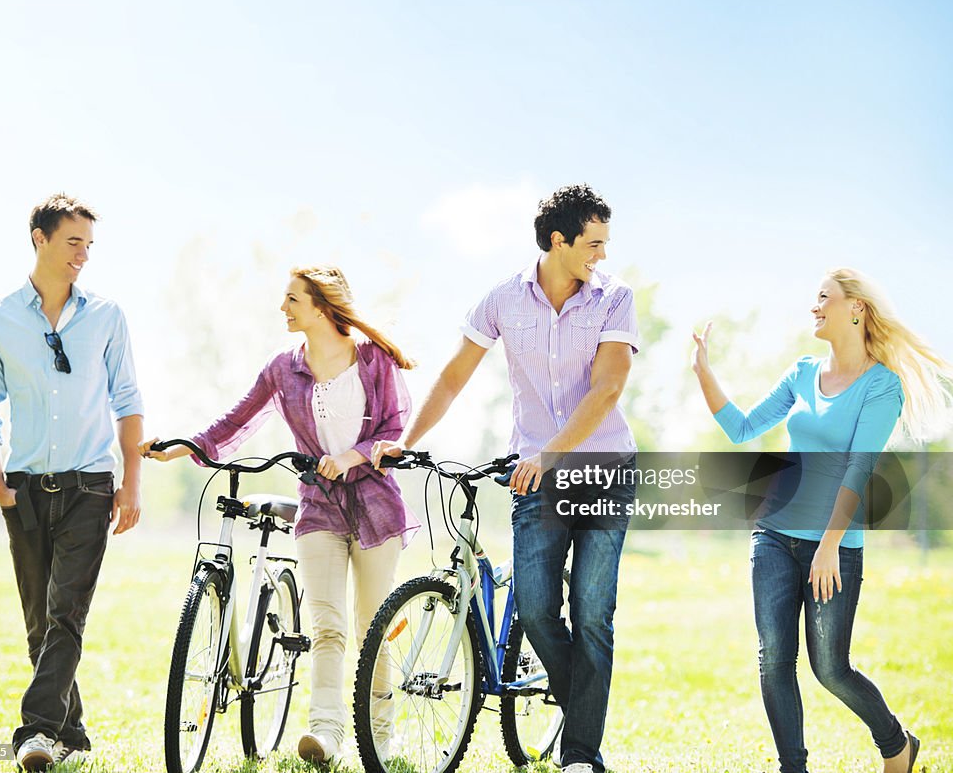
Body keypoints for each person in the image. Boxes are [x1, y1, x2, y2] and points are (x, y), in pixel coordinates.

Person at [373, 184, 641, 773]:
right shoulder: (503, 300)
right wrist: (407, 442)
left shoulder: (614, 298)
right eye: (592, 243)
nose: (602, 254)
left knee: (592, 611)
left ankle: (579, 755)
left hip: (604, 470)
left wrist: (549, 452)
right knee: (539, 608)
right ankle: (585, 716)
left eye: (605, 243)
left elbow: (609, 388)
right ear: (558, 240)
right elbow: (452, 377)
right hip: (536, 477)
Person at [140, 265, 418, 764]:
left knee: (371, 626)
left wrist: (353, 456)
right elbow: (236, 420)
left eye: (292, 299)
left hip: (377, 508)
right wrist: (181, 447)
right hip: (319, 509)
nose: (283, 308)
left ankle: (380, 735)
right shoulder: (283, 368)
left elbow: (396, 429)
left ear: (320, 305)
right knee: (327, 625)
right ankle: (326, 732)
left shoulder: (373, 359)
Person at [691, 267, 951, 773]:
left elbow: (860, 466)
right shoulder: (802, 373)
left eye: (824, 298)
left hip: (832, 546)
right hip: (772, 534)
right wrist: (703, 371)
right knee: (773, 661)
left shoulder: (881, 386)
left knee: (830, 668)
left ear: (855, 308)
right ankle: (794, 767)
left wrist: (830, 544)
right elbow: (743, 428)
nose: (814, 307)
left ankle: (897, 744)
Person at [0, 193, 144, 771]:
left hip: (90, 486)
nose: (83, 256)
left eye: (89, 246)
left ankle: (36, 732)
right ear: (39, 239)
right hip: (23, 487)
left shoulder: (107, 317)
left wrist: (131, 483)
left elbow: (128, 401)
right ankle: (73, 735)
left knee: (66, 613)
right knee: (40, 623)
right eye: (73, 243)